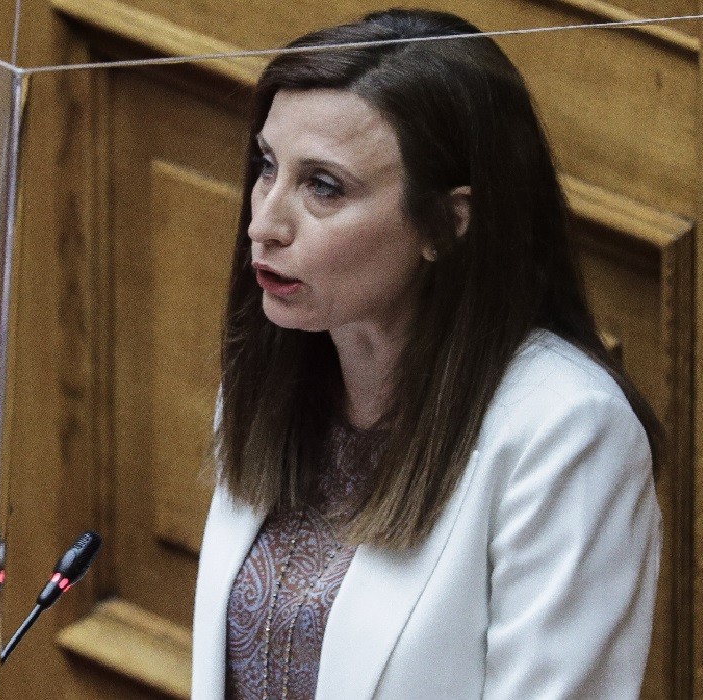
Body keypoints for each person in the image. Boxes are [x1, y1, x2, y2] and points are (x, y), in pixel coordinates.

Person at [190, 9, 663, 699]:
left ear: (447, 223)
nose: (263, 224)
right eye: (268, 166)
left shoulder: (567, 435)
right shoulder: (271, 374)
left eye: (323, 186)